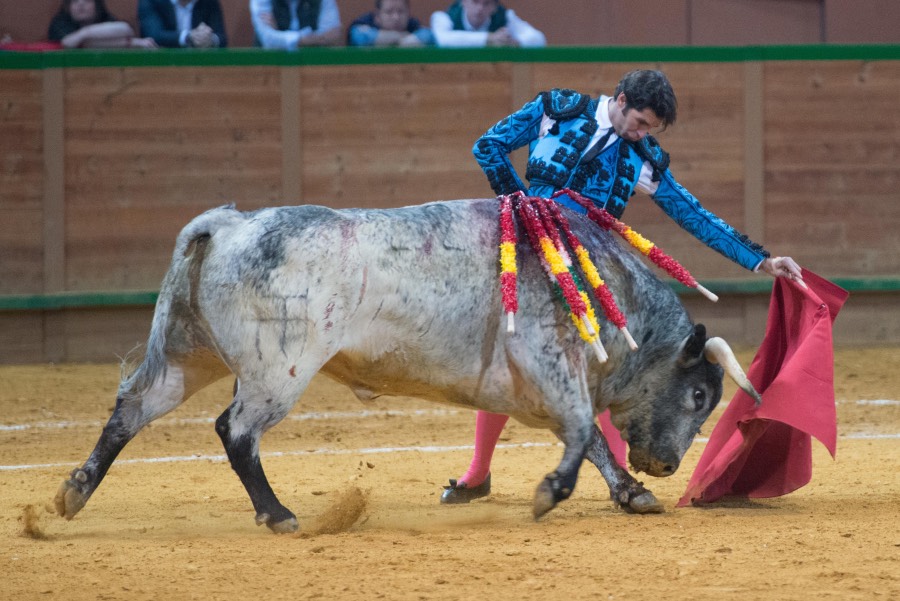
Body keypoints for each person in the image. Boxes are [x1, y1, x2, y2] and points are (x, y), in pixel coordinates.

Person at [440, 69, 804, 504]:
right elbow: (489, 147)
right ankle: (479, 472)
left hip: (590, 271)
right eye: (641, 122)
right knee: (509, 353)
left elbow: (693, 214)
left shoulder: (642, 158)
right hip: (527, 255)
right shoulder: (557, 110)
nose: (642, 133)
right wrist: (525, 207)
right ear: (622, 99)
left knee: (607, 363)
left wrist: (760, 259)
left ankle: (620, 482)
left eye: (651, 128)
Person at [430, 0, 545, 48]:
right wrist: (490, 38)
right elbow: (443, 39)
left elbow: (538, 39)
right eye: (475, 1)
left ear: (495, 7)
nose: (480, 8)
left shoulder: (505, 17)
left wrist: (515, 42)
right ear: (463, 2)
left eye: (486, 3)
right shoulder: (444, 17)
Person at [48, 0, 157, 48]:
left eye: (87, 0)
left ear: (97, 5)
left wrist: (85, 33)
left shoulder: (105, 17)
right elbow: (71, 43)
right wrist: (130, 43)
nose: (81, 4)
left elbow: (125, 29)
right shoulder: (59, 23)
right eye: (75, 1)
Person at [250, 0, 342, 50]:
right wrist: (308, 40)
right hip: (268, 67)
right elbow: (268, 39)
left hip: (313, 68)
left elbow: (332, 36)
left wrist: (280, 37)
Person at [138, 0, 228, 48]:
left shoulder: (208, 2)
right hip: (161, 64)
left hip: (200, 65)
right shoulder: (152, 1)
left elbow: (222, 38)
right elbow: (154, 35)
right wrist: (188, 37)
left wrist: (210, 39)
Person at [347, 0, 433, 47]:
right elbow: (357, 36)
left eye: (401, 11)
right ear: (377, 16)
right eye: (389, 12)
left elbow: (427, 35)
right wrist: (401, 37)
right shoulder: (365, 22)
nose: (396, 17)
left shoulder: (413, 24)